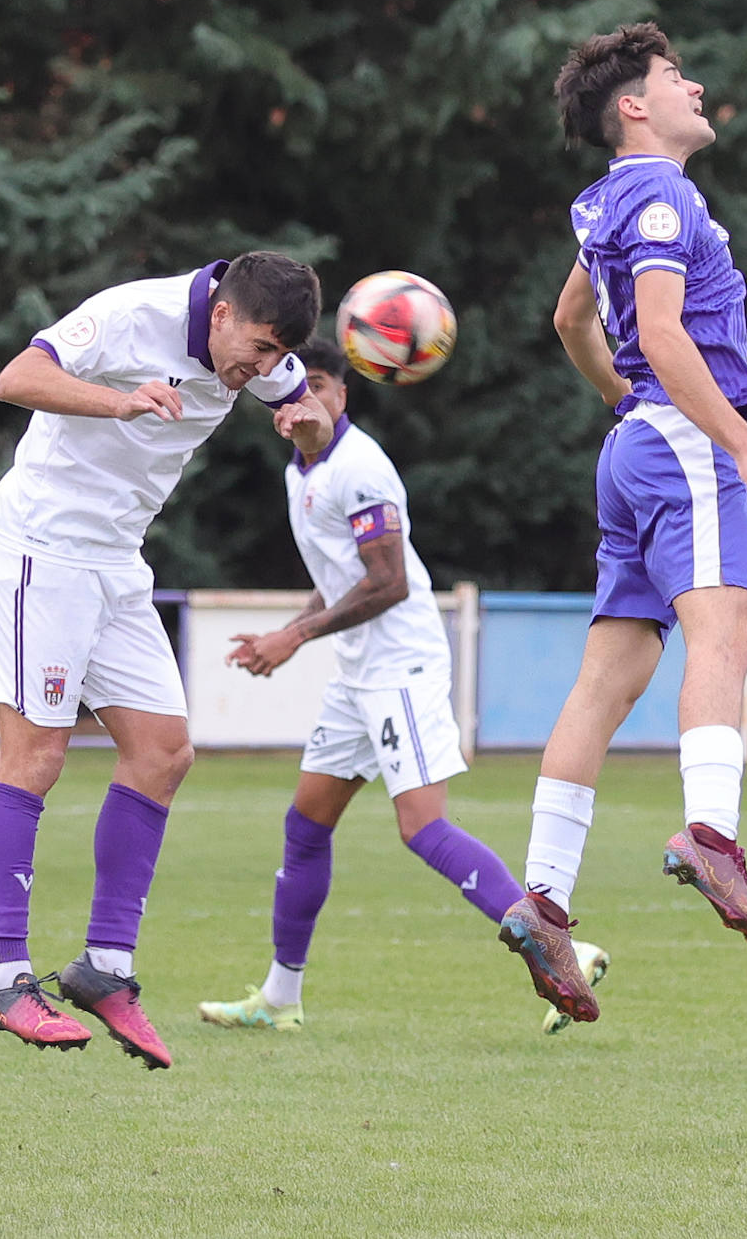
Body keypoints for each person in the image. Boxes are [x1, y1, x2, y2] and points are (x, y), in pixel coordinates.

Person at [498, 23, 747, 1024]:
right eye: (677, 76)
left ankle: (544, 900)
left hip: (637, 447)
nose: (695, 85)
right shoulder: (663, 194)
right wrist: (739, 446)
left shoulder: (606, 201)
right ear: (635, 105)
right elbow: (663, 334)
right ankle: (710, 833)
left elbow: (571, 322)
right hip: (680, 443)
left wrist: (629, 411)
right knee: (729, 632)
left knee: (605, 680)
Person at [0, 250, 332, 1069]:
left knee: (164, 754)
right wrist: (119, 400)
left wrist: (309, 426)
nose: (265, 367)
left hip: (115, 563)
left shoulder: (263, 360)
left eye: (281, 353)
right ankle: (3, 980)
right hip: (40, 550)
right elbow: (16, 378)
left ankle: (105, 968)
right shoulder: (133, 315)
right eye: (260, 346)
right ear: (220, 313)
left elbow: (303, 403)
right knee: (36, 755)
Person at [196, 337, 609, 1035]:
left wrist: (292, 638)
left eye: (320, 385)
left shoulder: (360, 469)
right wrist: (289, 636)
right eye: (294, 389)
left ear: (343, 395)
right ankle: (279, 997)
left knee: (421, 827)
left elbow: (385, 584)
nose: (307, 400)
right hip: (357, 671)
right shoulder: (302, 472)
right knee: (305, 827)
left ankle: (568, 946)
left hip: (400, 665)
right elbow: (341, 582)